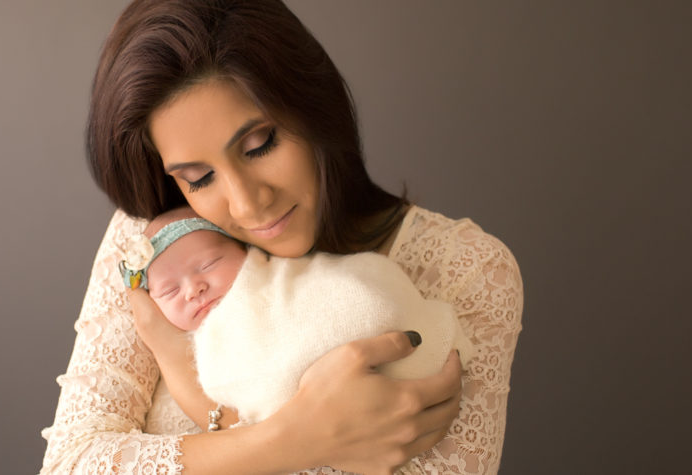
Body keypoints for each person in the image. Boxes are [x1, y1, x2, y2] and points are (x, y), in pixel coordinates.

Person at [40, 1, 523, 474]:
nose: (247, 204)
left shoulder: (466, 268)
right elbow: (72, 464)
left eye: (260, 145)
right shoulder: (156, 247)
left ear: (313, 104)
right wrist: (294, 439)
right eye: (199, 177)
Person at [122, 206, 474, 426]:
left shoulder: (273, 276)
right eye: (169, 291)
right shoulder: (182, 331)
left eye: (209, 265)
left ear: (245, 250)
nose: (193, 289)